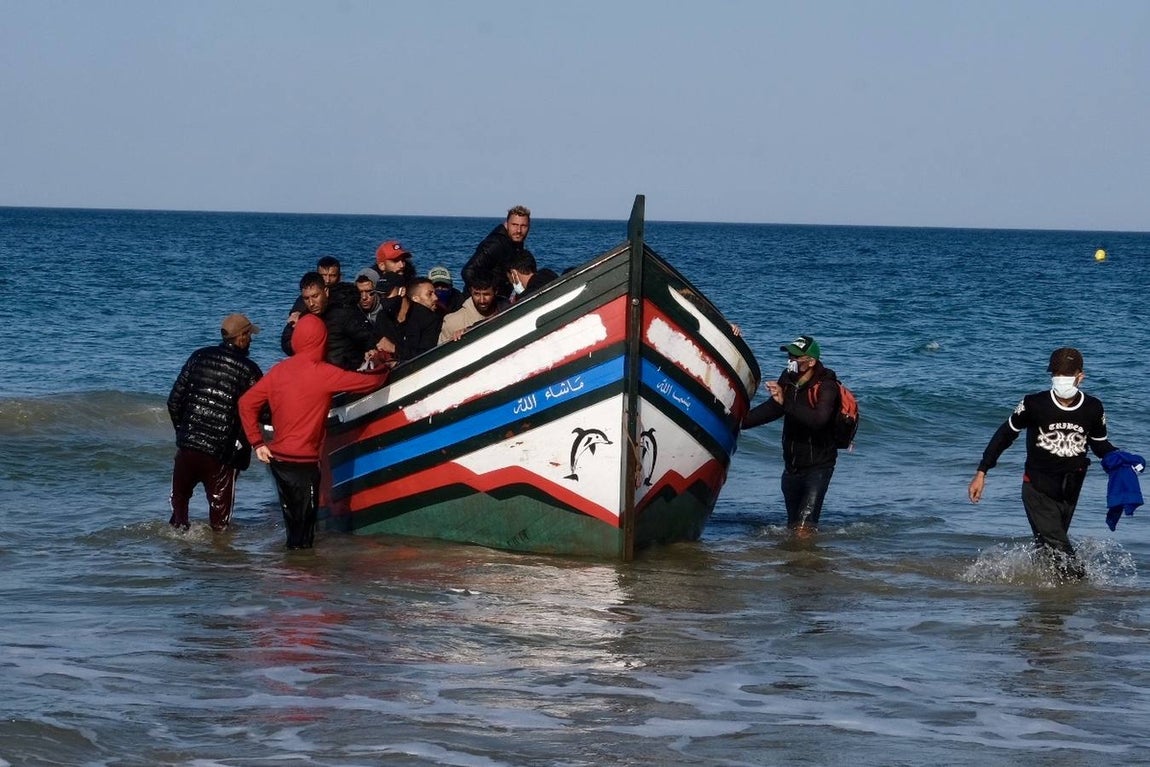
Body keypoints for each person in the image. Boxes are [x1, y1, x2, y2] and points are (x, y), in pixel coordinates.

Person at [967, 347, 1120, 579]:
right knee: (1061, 548)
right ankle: (1081, 588)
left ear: (1081, 376)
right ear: (1051, 376)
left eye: (1068, 375)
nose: (1062, 380)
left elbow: (1100, 445)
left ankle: (1044, 603)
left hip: (1071, 490)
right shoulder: (1034, 404)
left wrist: (1121, 461)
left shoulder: (1093, 407)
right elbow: (1004, 435)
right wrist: (982, 471)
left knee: (1049, 548)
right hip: (1037, 488)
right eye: (1057, 374)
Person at [239, 313, 388, 549]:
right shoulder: (324, 372)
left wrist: (257, 443)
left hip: (278, 460)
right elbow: (368, 383)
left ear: (297, 339)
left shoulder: (279, 371)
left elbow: (246, 404)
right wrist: (384, 367)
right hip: (305, 462)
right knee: (306, 528)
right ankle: (302, 577)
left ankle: (290, 574)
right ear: (322, 340)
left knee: (293, 522)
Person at [167, 313, 264, 532]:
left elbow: (174, 402)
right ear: (241, 337)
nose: (251, 340)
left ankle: (178, 560)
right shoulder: (249, 370)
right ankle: (219, 560)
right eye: (249, 336)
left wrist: (183, 434)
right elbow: (262, 412)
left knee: (179, 512)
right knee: (220, 523)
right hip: (221, 454)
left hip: (188, 449)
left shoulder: (198, 356)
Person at [741, 335, 841, 536]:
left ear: (811, 362)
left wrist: (785, 402)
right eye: (789, 356)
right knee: (793, 526)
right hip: (791, 468)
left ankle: (810, 563)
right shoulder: (788, 379)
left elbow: (818, 420)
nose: (791, 361)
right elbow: (774, 409)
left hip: (818, 468)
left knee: (804, 528)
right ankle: (794, 565)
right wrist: (738, 423)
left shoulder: (827, 386)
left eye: (796, 358)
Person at [281, 271, 376, 370]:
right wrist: (291, 326)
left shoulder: (344, 313)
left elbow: (369, 336)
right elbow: (288, 346)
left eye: (315, 296)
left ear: (325, 292)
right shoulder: (304, 317)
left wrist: (368, 351)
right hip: (319, 371)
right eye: (306, 298)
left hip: (346, 370)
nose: (311, 303)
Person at [462, 205, 531, 297]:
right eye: (514, 225)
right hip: (481, 304)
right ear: (506, 225)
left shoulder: (516, 243)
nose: (518, 230)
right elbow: (468, 271)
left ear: (529, 227)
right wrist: (487, 296)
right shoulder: (495, 244)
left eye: (523, 226)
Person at [437, 271, 508, 345]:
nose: (482, 300)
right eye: (477, 294)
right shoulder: (452, 322)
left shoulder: (508, 309)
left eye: (486, 294)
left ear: (496, 291)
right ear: (470, 291)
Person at [289, 256, 356, 316]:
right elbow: (294, 315)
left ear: (340, 277)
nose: (327, 280)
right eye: (323, 275)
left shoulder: (348, 295)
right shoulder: (306, 298)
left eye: (332, 276)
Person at [395, 277, 444, 361]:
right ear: (415, 299)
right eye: (429, 294)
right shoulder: (429, 319)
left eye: (434, 293)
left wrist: (394, 349)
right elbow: (425, 353)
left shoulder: (405, 317)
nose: (436, 298)